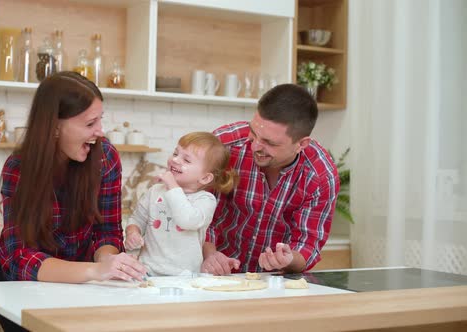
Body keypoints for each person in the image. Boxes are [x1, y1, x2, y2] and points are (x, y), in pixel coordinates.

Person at [0, 72, 147, 332]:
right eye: (89, 124)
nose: (100, 131)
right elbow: (20, 257)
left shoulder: (105, 157)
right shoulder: (19, 168)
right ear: (54, 126)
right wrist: (94, 271)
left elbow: (106, 231)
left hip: (81, 279)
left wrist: (108, 262)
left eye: (100, 120)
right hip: (21, 283)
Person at [202, 83, 340, 275]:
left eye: (269, 142)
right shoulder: (224, 145)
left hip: (272, 281)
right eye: (253, 133)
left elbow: (308, 245)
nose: (255, 146)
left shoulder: (320, 176)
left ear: (301, 144)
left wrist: (288, 259)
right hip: (211, 273)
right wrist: (210, 254)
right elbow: (194, 209)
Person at [124, 132, 238, 276]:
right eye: (175, 153)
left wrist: (172, 185)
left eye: (187, 160)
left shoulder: (205, 200)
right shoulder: (155, 191)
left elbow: (187, 220)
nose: (176, 160)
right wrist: (132, 232)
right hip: (147, 271)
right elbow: (137, 219)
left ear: (205, 178)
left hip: (185, 275)